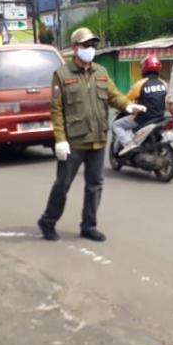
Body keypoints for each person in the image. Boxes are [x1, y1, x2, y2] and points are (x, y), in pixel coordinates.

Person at [37, 28, 144, 243]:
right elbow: (56, 109)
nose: (90, 49)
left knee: (95, 185)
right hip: (74, 141)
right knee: (62, 184)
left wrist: (130, 106)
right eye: (86, 45)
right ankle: (47, 221)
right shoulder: (62, 75)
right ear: (75, 47)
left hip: (97, 139)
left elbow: (114, 96)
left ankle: (89, 226)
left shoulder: (101, 72)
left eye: (93, 45)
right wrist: (60, 139)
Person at [112, 54, 167, 156]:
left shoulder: (140, 84)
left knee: (116, 125)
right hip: (160, 118)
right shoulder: (163, 83)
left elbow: (127, 99)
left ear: (144, 68)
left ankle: (128, 143)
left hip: (142, 119)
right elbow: (165, 99)